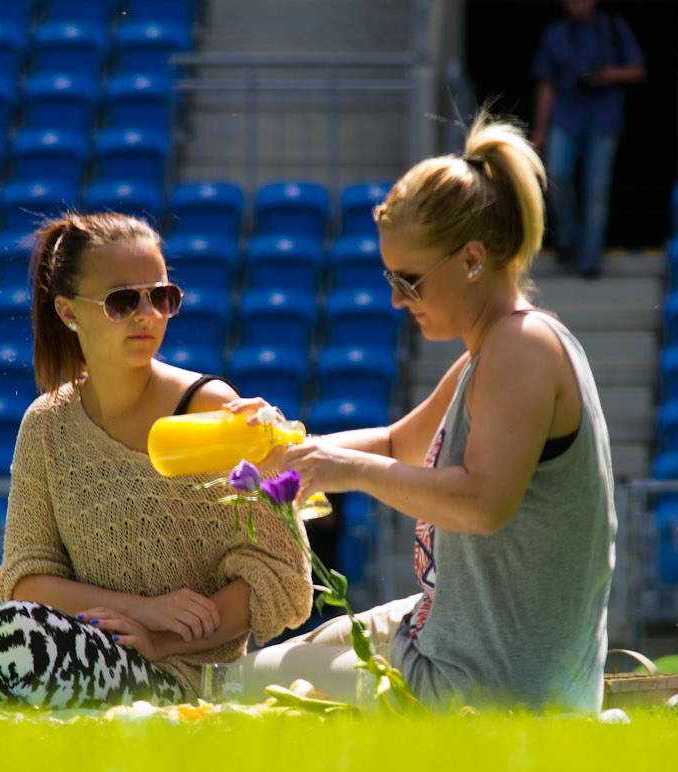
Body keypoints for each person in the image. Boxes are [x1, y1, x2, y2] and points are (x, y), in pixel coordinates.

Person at [230, 110, 617, 713]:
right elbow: (393, 445)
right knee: (252, 672)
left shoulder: (521, 348)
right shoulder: (495, 350)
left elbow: (483, 504)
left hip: (486, 689)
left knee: (237, 688)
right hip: (455, 642)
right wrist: (287, 445)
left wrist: (342, 469)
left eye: (408, 280)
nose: (394, 299)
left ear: (471, 259)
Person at [0, 212, 313, 708]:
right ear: (67, 311)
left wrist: (162, 640)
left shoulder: (210, 409)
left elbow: (276, 574)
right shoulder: (45, 426)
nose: (148, 315)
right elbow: (26, 581)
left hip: (190, 680)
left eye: (161, 297)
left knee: (9, 647)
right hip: (83, 657)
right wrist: (144, 611)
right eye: (123, 301)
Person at [531, 0, 644, 280]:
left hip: (604, 117)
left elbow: (638, 69)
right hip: (567, 115)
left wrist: (608, 75)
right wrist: (540, 131)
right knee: (556, 175)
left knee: (596, 189)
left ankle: (589, 258)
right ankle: (569, 236)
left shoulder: (614, 27)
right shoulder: (555, 34)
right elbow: (546, 85)